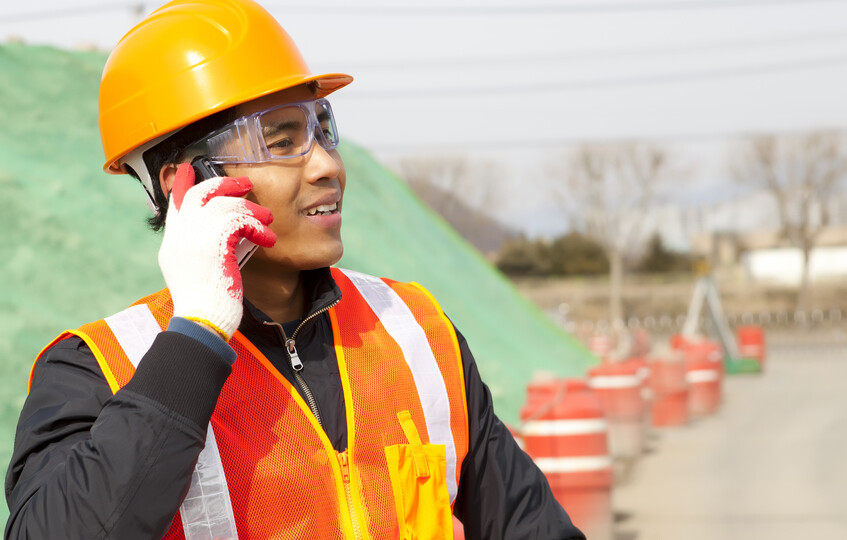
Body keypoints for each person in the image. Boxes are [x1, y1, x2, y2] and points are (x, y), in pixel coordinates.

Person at [4, 0, 586, 538]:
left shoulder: (416, 333)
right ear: (186, 184)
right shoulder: (98, 369)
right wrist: (196, 335)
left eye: (322, 131)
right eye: (282, 142)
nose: (327, 166)